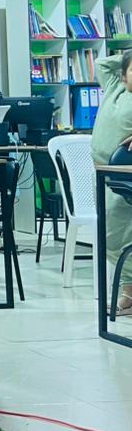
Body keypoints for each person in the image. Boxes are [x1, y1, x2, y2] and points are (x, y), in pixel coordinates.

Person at [91, 50, 132, 315]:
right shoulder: (116, 85)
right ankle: (128, 293)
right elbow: (101, 63)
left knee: (119, 235)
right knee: (110, 235)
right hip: (103, 175)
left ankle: (129, 295)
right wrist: (126, 57)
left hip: (124, 178)